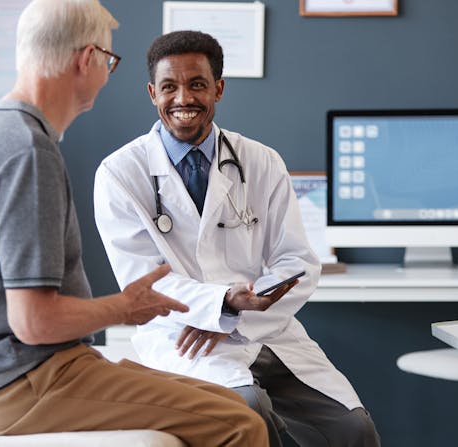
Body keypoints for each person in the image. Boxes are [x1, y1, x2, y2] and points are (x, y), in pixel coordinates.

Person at [0, 2, 269, 445]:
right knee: (243, 424)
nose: (106, 74)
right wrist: (125, 308)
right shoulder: (27, 152)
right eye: (109, 61)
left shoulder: (0, 132)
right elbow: (34, 322)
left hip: (15, 372)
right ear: (87, 59)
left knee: (230, 402)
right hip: (17, 383)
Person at [94, 30, 381, 447]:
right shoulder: (120, 174)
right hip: (184, 338)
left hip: (266, 332)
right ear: (153, 93)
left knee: (354, 428)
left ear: (219, 89)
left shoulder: (261, 161)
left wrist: (234, 315)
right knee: (249, 412)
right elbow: (144, 283)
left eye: (197, 84)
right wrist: (220, 306)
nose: (183, 99)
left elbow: (297, 263)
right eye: (169, 87)